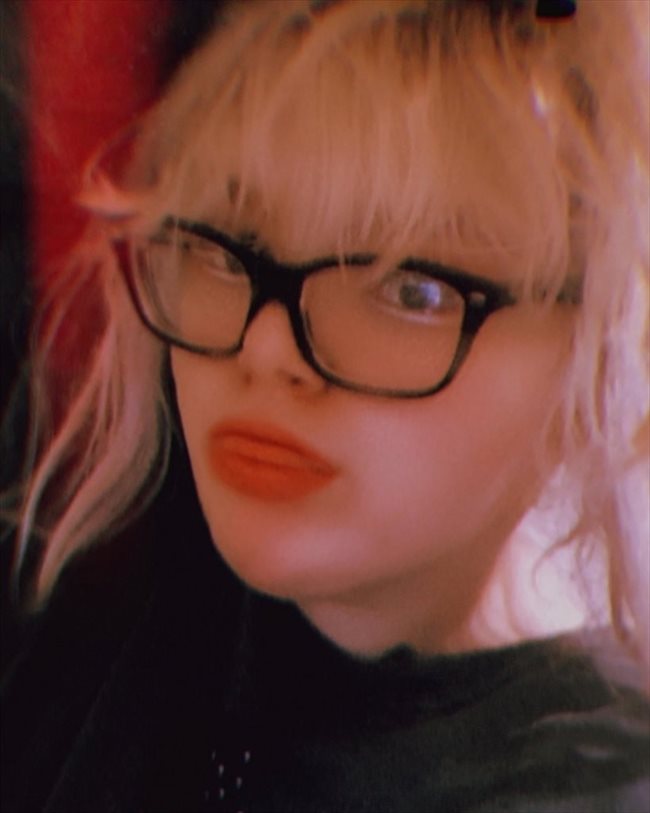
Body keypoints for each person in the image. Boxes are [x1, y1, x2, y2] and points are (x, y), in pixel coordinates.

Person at [2, 1, 649, 811]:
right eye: (222, 249)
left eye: (408, 289)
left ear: (600, 355)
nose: (265, 347)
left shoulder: (585, 784)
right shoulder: (138, 614)